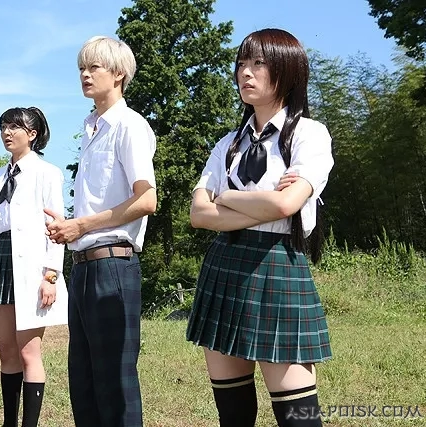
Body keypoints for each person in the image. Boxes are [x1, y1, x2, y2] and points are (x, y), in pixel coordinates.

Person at [186, 28, 334, 427]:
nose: (245, 73)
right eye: (241, 64)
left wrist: (225, 197)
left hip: (278, 264)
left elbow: (287, 204)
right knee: (233, 414)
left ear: (287, 71)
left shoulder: (309, 134)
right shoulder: (228, 144)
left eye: (258, 64)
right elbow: (199, 214)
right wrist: (263, 202)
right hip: (224, 264)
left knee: (299, 415)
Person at [46, 36, 157, 427]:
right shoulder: (91, 128)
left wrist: (81, 224)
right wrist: (69, 227)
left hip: (114, 265)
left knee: (115, 385)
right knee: (84, 381)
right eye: (82, 67)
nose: (85, 74)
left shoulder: (129, 125)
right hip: (82, 265)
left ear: (119, 74)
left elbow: (147, 199)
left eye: (94, 67)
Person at [0, 106, 68, 427]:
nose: (7, 132)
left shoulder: (47, 172)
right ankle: (9, 423)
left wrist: (51, 275)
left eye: (14, 127)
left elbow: (57, 227)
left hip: (32, 267)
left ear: (32, 134)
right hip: (1, 261)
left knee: (29, 351)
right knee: (6, 350)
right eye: (3, 126)